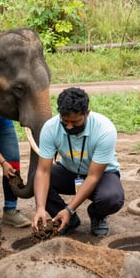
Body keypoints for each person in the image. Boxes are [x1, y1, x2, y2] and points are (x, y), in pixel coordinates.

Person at [33, 87, 124, 237]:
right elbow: (43, 171)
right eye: (65, 121)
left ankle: (97, 215)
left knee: (111, 198)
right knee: (34, 179)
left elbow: (94, 176)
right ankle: (67, 220)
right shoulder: (50, 128)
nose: (69, 126)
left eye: (75, 122)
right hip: (69, 171)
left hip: (101, 175)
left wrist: (70, 208)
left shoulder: (105, 129)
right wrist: (40, 208)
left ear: (87, 113)